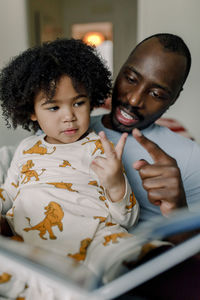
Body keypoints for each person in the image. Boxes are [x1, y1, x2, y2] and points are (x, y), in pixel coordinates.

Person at [0, 38, 141, 299]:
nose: (69, 116)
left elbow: (127, 220)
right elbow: (8, 194)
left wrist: (115, 182)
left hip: (98, 235)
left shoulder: (100, 147)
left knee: (137, 257)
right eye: (53, 107)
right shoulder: (25, 148)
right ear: (31, 111)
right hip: (35, 243)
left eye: (79, 103)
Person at [91, 33, 200, 223]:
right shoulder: (65, 130)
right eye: (131, 79)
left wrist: (178, 210)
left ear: (174, 98)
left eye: (156, 94)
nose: (134, 99)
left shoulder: (191, 157)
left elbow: (193, 251)